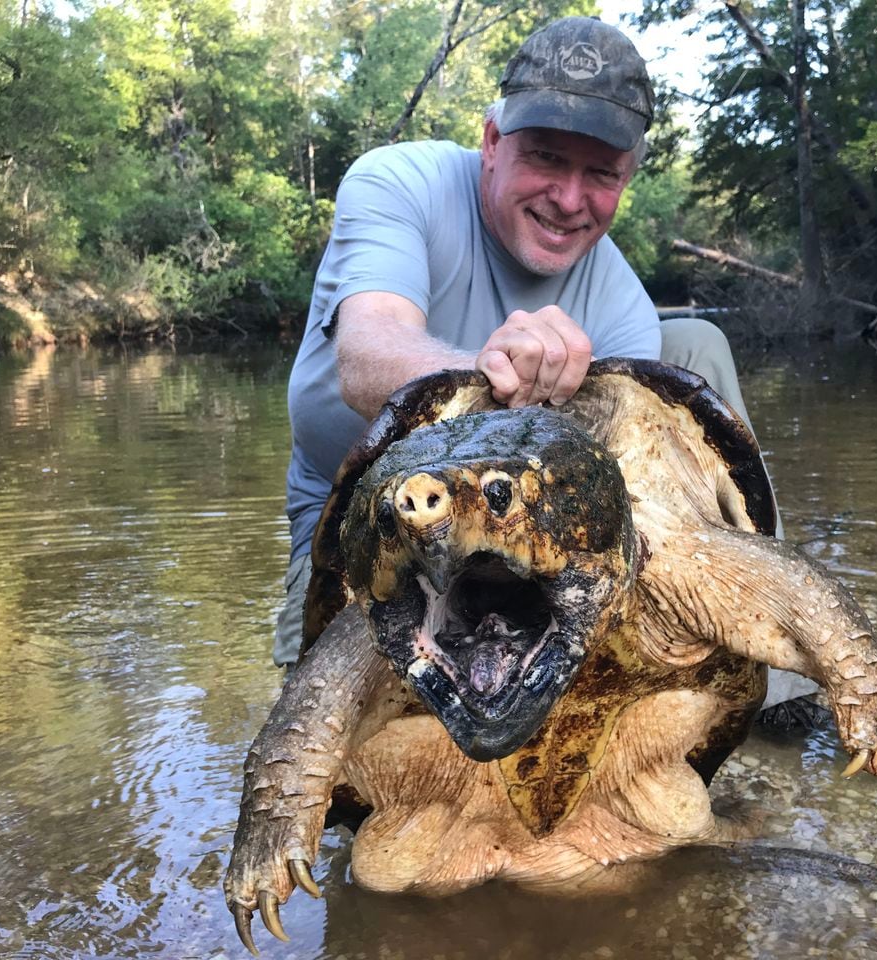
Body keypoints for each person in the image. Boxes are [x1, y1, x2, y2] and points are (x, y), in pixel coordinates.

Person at [276, 16, 819, 715]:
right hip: (366, 539)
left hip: (524, 555)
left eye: (600, 173)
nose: (569, 199)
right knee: (324, 756)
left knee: (693, 349)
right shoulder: (399, 184)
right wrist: (485, 371)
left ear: (628, 177)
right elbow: (364, 357)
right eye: (546, 159)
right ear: (493, 142)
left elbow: (613, 511)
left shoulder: (620, 301)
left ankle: (768, 673)